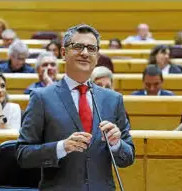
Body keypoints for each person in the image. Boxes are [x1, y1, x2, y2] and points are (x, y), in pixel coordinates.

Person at [17, 24, 135, 190]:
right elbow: (23, 155)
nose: (85, 53)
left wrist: (116, 144)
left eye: (91, 48)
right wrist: (61, 147)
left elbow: (128, 157)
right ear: (64, 53)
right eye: (78, 46)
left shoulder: (113, 99)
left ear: (97, 55)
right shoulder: (42, 98)